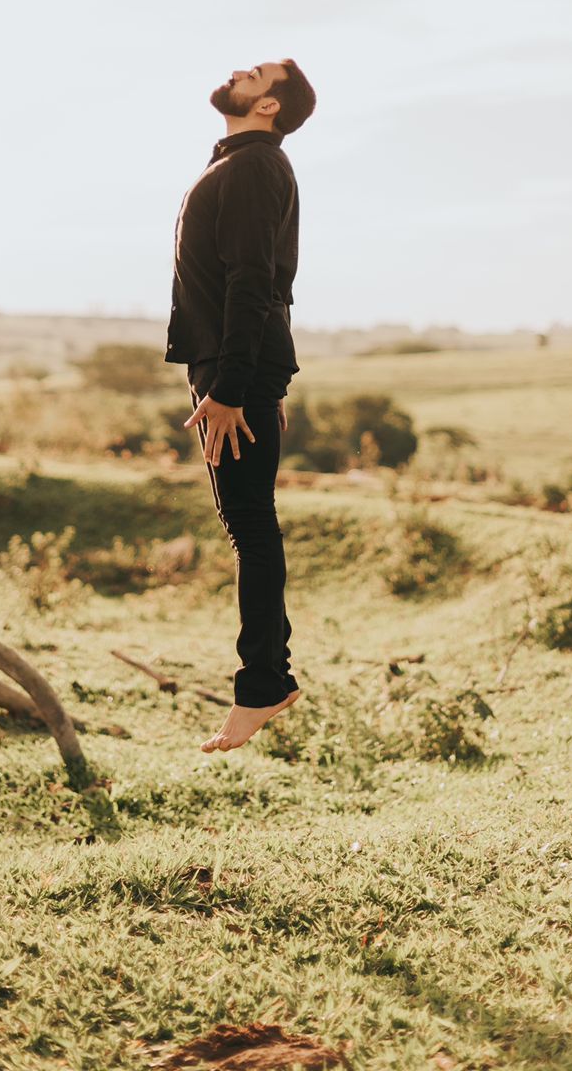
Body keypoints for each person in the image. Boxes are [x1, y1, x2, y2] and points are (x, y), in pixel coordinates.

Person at [164, 59, 317, 752]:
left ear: (269, 108)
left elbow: (255, 281)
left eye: (255, 74)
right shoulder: (240, 162)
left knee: (250, 526)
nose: (237, 72)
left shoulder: (255, 166)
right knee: (248, 521)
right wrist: (251, 381)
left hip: (234, 378)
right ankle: (266, 680)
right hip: (237, 371)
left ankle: (264, 685)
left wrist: (233, 388)